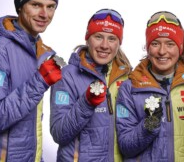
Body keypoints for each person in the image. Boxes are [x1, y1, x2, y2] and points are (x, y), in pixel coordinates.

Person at [0, 0, 63, 162]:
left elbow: (30, 126)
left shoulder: (41, 52)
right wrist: (40, 81)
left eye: (50, 6)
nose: (44, 14)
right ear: (20, 6)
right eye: (36, 4)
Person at [115, 11, 184, 161]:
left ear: (180, 48)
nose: (162, 51)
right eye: (155, 44)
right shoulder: (130, 88)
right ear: (148, 48)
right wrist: (150, 124)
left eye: (170, 44)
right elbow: (125, 146)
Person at [50, 9, 132, 162]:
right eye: (98, 37)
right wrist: (87, 102)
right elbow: (59, 133)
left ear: (119, 43)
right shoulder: (67, 76)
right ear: (88, 38)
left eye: (112, 39)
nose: (104, 45)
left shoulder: (128, 77)